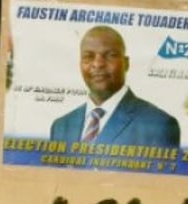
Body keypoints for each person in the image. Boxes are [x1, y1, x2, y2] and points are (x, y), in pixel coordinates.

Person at [50, 26, 180, 147]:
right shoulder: (61, 127)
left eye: (110, 55)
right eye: (88, 56)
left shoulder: (159, 125)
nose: (98, 64)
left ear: (126, 63)